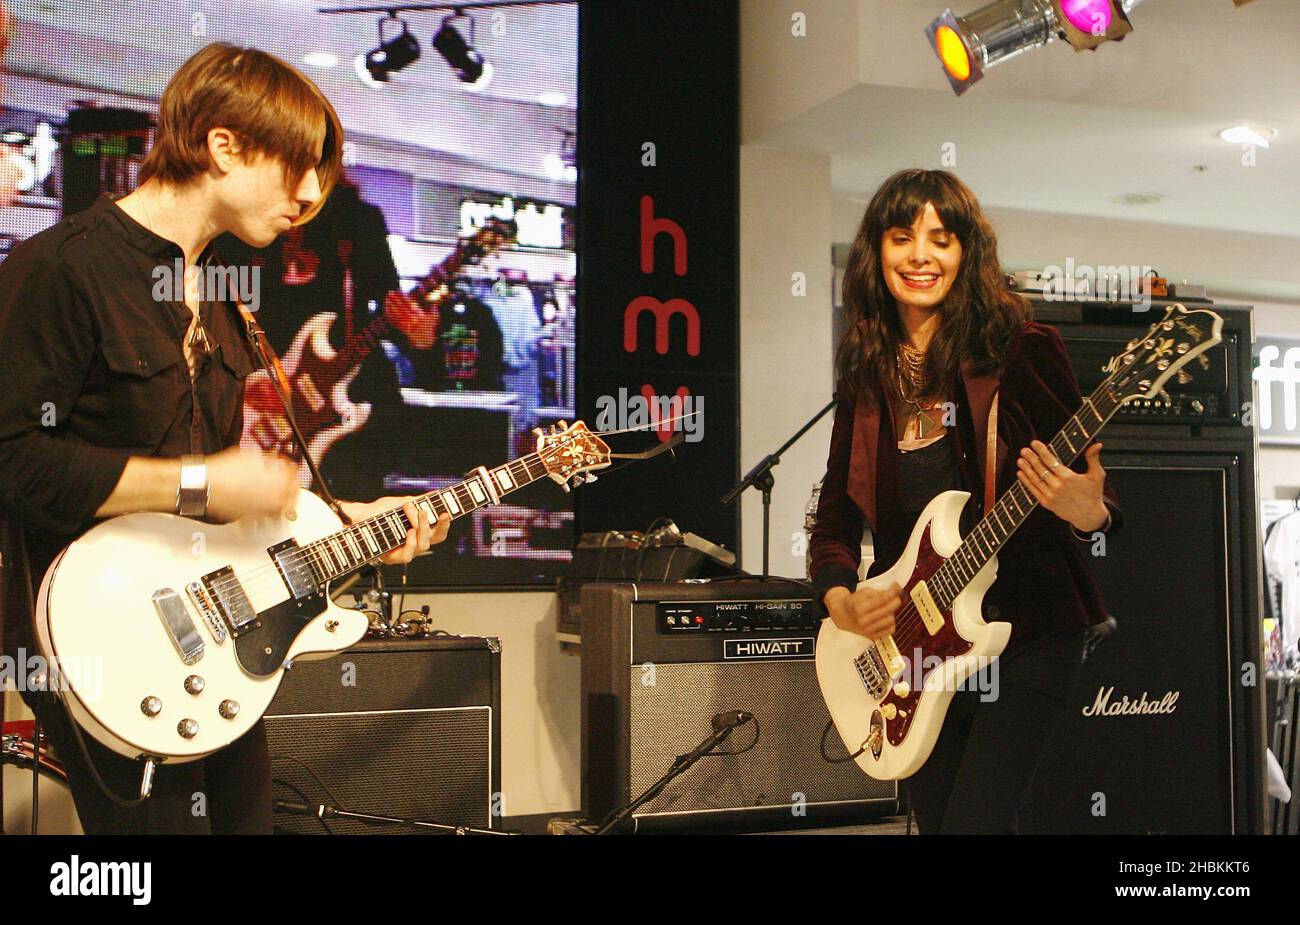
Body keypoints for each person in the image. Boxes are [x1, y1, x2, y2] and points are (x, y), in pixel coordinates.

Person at [0, 42, 451, 834]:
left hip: (210, 638)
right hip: (100, 634)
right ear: (223, 145)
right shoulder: (61, 271)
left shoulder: (217, 300)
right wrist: (202, 483)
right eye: (297, 168)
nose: (310, 196)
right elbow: (13, 461)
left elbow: (220, 512)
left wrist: (356, 522)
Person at [809, 168, 1122, 834]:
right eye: (902, 237)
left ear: (966, 252)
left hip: (1028, 631)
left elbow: (1100, 506)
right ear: (877, 252)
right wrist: (844, 600)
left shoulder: (1020, 351)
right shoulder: (866, 374)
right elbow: (833, 518)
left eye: (941, 239)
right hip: (918, 649)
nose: (921, 255)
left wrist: (1084, 507)